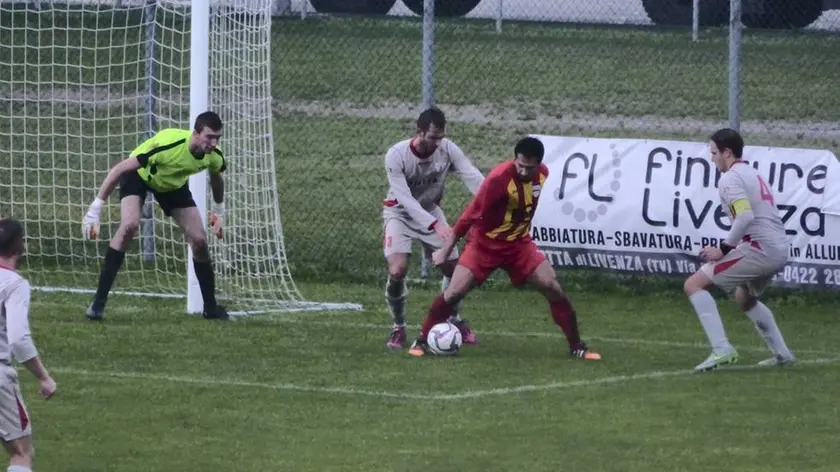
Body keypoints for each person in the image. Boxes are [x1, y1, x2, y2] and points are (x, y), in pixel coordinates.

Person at [408, 137, 601, 360]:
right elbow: (468, 216)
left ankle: (577, 346)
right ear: (514, 159)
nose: (524, 171)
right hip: (484, 245)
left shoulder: (543, 174)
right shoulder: (498, 179)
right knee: (455, 291)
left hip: (519, 244)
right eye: (520, 165)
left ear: (539, 164)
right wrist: (445, 250)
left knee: (551, 286)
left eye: (530, 167)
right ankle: (421, 340)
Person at [81, 111, 229, 320]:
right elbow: (119, 169)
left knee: (199, 239)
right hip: (140, 176)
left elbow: (217, 178)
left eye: (217, 138)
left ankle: (211, 308)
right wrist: (95, 209)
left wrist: (219, 210)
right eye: (209, 137)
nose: (213, 143)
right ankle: (98, 303)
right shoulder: (168, 146)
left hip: (172, 185)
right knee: (129, 226)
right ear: (195, 134)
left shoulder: (214, 156)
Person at [684, 128, 794, 371]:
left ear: (727, 152)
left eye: (714, 153)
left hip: (761, 249)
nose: (712, 158)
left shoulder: (730, 178)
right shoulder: (750, 172)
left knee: (693, 284)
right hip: (777, 248)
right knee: (744, 297)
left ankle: (722, 349)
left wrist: (722, 250)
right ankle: (782, 355)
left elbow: (744, 216)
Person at [382, 107, 485, 349]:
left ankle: (454, 319)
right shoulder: (396, 155)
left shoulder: (447, 149)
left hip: (430, 212)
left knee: (456, 271)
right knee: (397, 271)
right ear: (419, 132)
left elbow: (472, 176)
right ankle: (398, 327)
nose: (438, 142)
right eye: (433, 137)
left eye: (441, 136)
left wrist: (490, 201)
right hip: (399, 214)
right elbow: (404, 198)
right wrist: (434, 224)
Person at [0, 218, 58, 472]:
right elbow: (18, 338)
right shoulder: (14, 285)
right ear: (20, 246)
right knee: (21, 452)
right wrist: (44, 378)